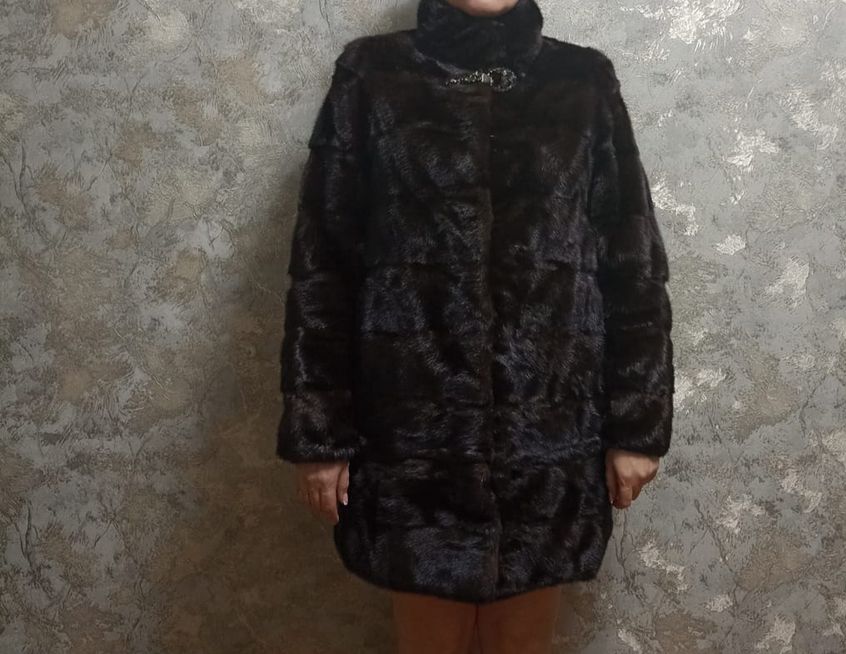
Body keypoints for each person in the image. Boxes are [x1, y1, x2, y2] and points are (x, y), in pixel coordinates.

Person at [277, 0, 674, 651]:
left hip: (551, 437)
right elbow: (325, 266)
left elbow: (632, 269)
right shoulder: (372, 76)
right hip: (410, 439)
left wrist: (637, 427)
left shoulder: (583, 83)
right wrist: (320, 433)